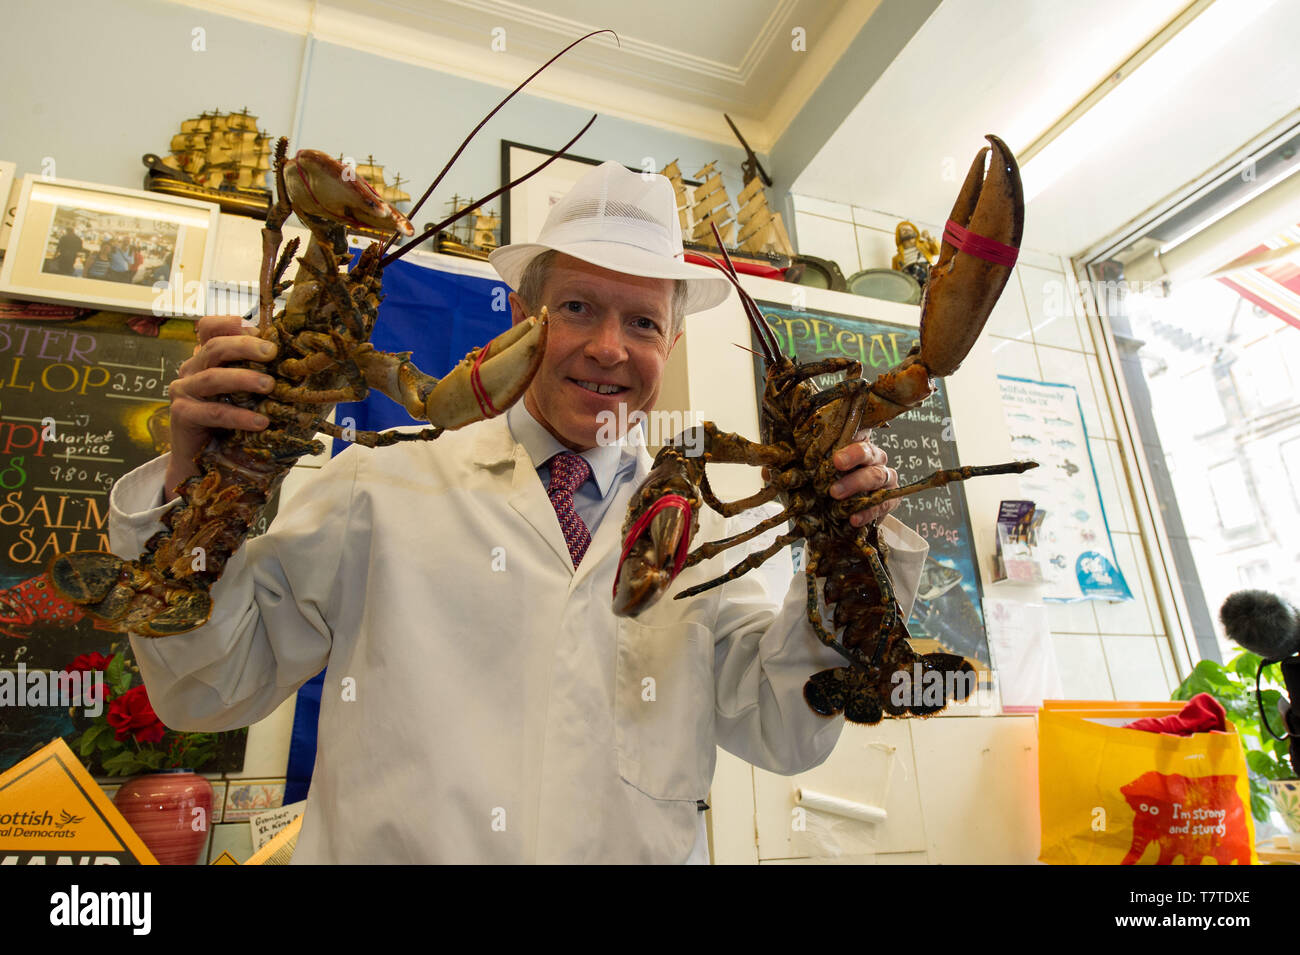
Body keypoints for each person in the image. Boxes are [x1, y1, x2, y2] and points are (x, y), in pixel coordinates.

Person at [109, 162, 926, 863]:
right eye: (577, 307)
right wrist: (190, 483)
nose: (609, 346)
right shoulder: (375, 484)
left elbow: (783, 727)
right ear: (520, 314)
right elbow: (206, 690)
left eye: (642, 320)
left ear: (669, 347)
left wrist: (850, 545)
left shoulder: (710, 523)